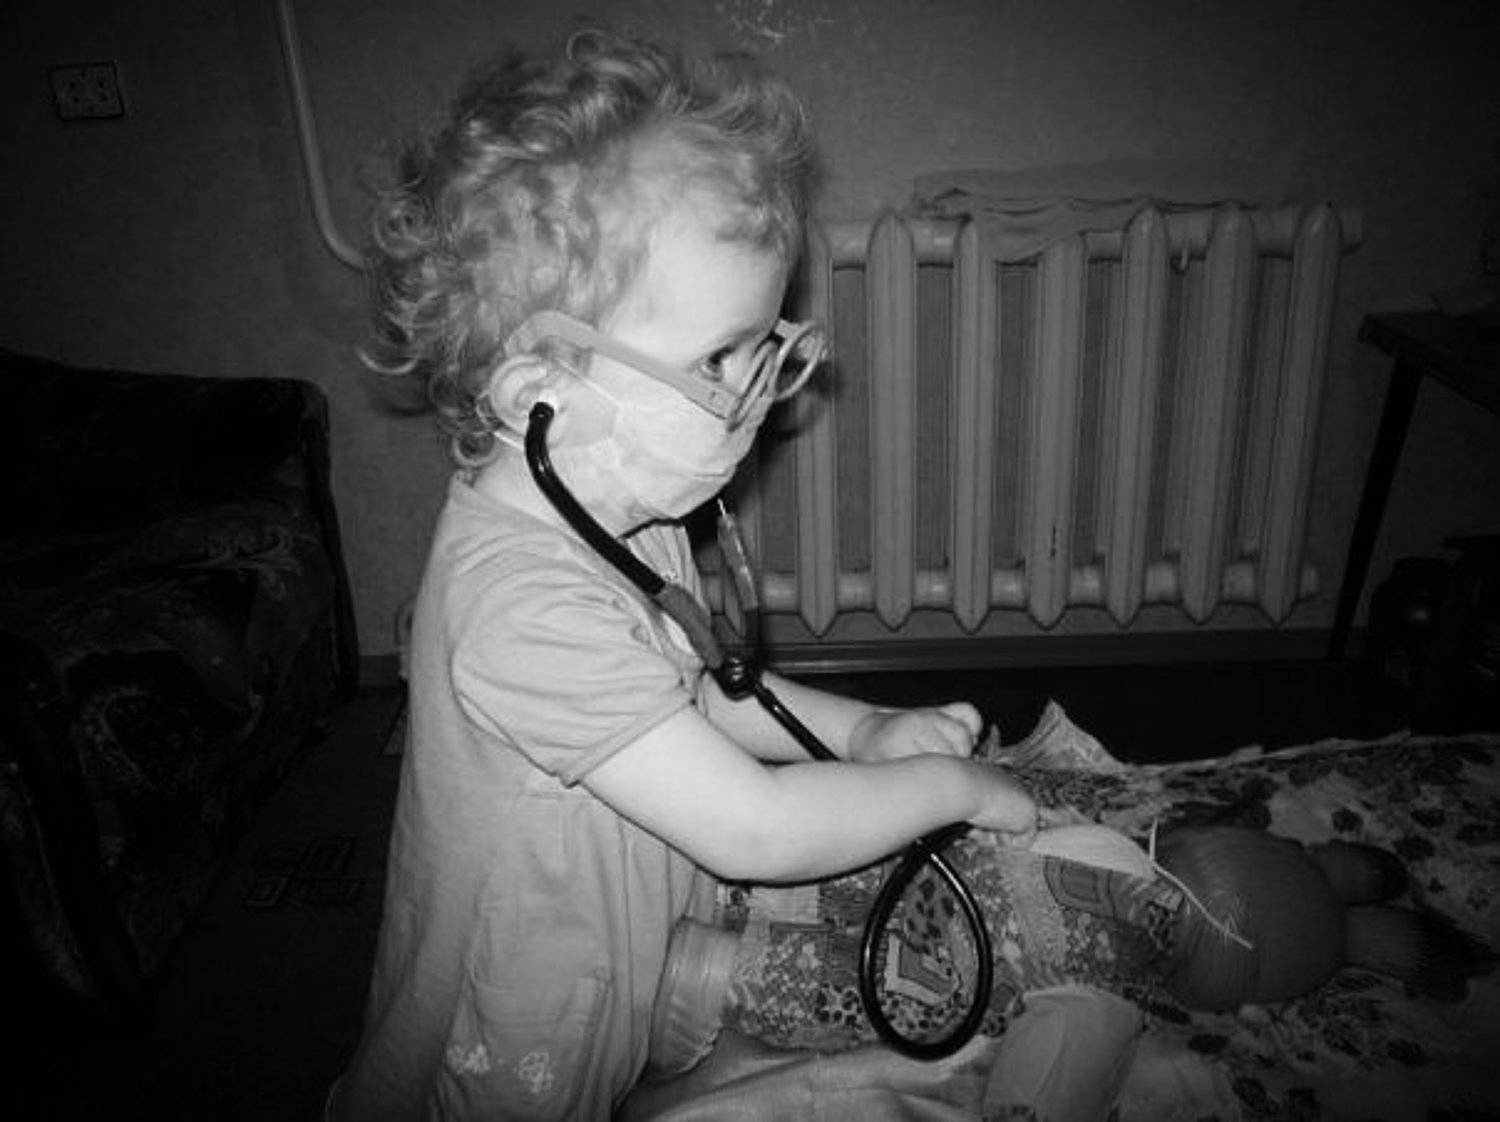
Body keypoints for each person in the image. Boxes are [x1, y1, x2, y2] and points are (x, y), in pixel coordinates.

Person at [327, 28, 1037, 1121]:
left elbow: (686, 693)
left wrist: (863, 733)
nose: (759, 390)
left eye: (762, 342)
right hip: (519, 1031)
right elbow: (753, 828)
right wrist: (957, 790)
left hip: (616, 955)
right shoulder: (521, 611)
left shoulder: (622, 505)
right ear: (539, 393)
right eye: (718, 357)